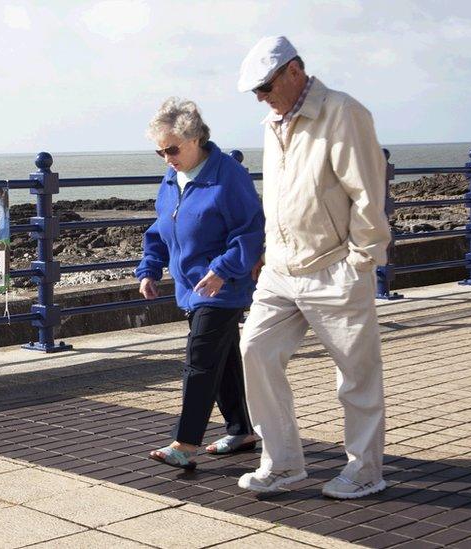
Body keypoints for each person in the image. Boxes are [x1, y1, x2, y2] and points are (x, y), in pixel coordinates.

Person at [235, 36, 390, 499]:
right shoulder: (273, 121)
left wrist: (361, 260)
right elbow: (281, 196)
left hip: (333, 265)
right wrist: (268, 250)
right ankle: (283, 463)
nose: (261, 98)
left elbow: (367, 191)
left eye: (265, 87)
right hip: (281, 269)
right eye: (255, 92)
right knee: (255, 351)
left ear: (294, 72)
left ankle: (365, 471)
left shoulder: (343, 112)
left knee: (356, 376)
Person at [136, 97, 265, 470]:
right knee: (221, 360)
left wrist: (223, 269)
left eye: (172, 149)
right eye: (159, 151)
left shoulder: (227, 175)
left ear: (195, 139)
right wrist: (149, 267)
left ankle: (186, 443)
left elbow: (249, 231)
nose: (166, 158)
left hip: (222, 287)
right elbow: (162, 228)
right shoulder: (173, 176)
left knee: (199, 361)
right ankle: (241, 430)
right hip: (191, 288)